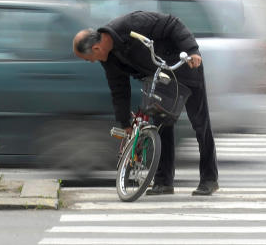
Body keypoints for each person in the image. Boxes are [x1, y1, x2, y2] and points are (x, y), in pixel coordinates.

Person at [72, 10, 218, 196]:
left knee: (200, 124)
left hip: (184, 67)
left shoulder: (131, 24)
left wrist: (192, 50)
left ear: (96, 49)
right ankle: (163, 182)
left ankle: (209, 179)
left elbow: (173, 23)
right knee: (160, 127)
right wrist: (124, 122)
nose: (91, 62)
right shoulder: (109, 59)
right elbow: (119, 90)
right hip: (161, 79)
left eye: (88, 59)